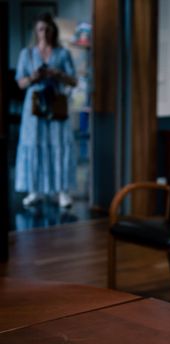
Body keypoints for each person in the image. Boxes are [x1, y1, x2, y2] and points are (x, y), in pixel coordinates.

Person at [15, 12, 77, 209]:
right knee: (33, 144)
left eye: (48, 29)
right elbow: (20, 83)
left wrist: (57, 73)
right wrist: (34, 77)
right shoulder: (27, 53)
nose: (44, 33)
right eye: (41, 29)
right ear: (36, 31)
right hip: (34, 107)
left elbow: (74, 80)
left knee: (58, 144)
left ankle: (62, 191)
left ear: (53, 30)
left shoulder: (63, 53)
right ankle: (34, 190)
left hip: (56, 104)